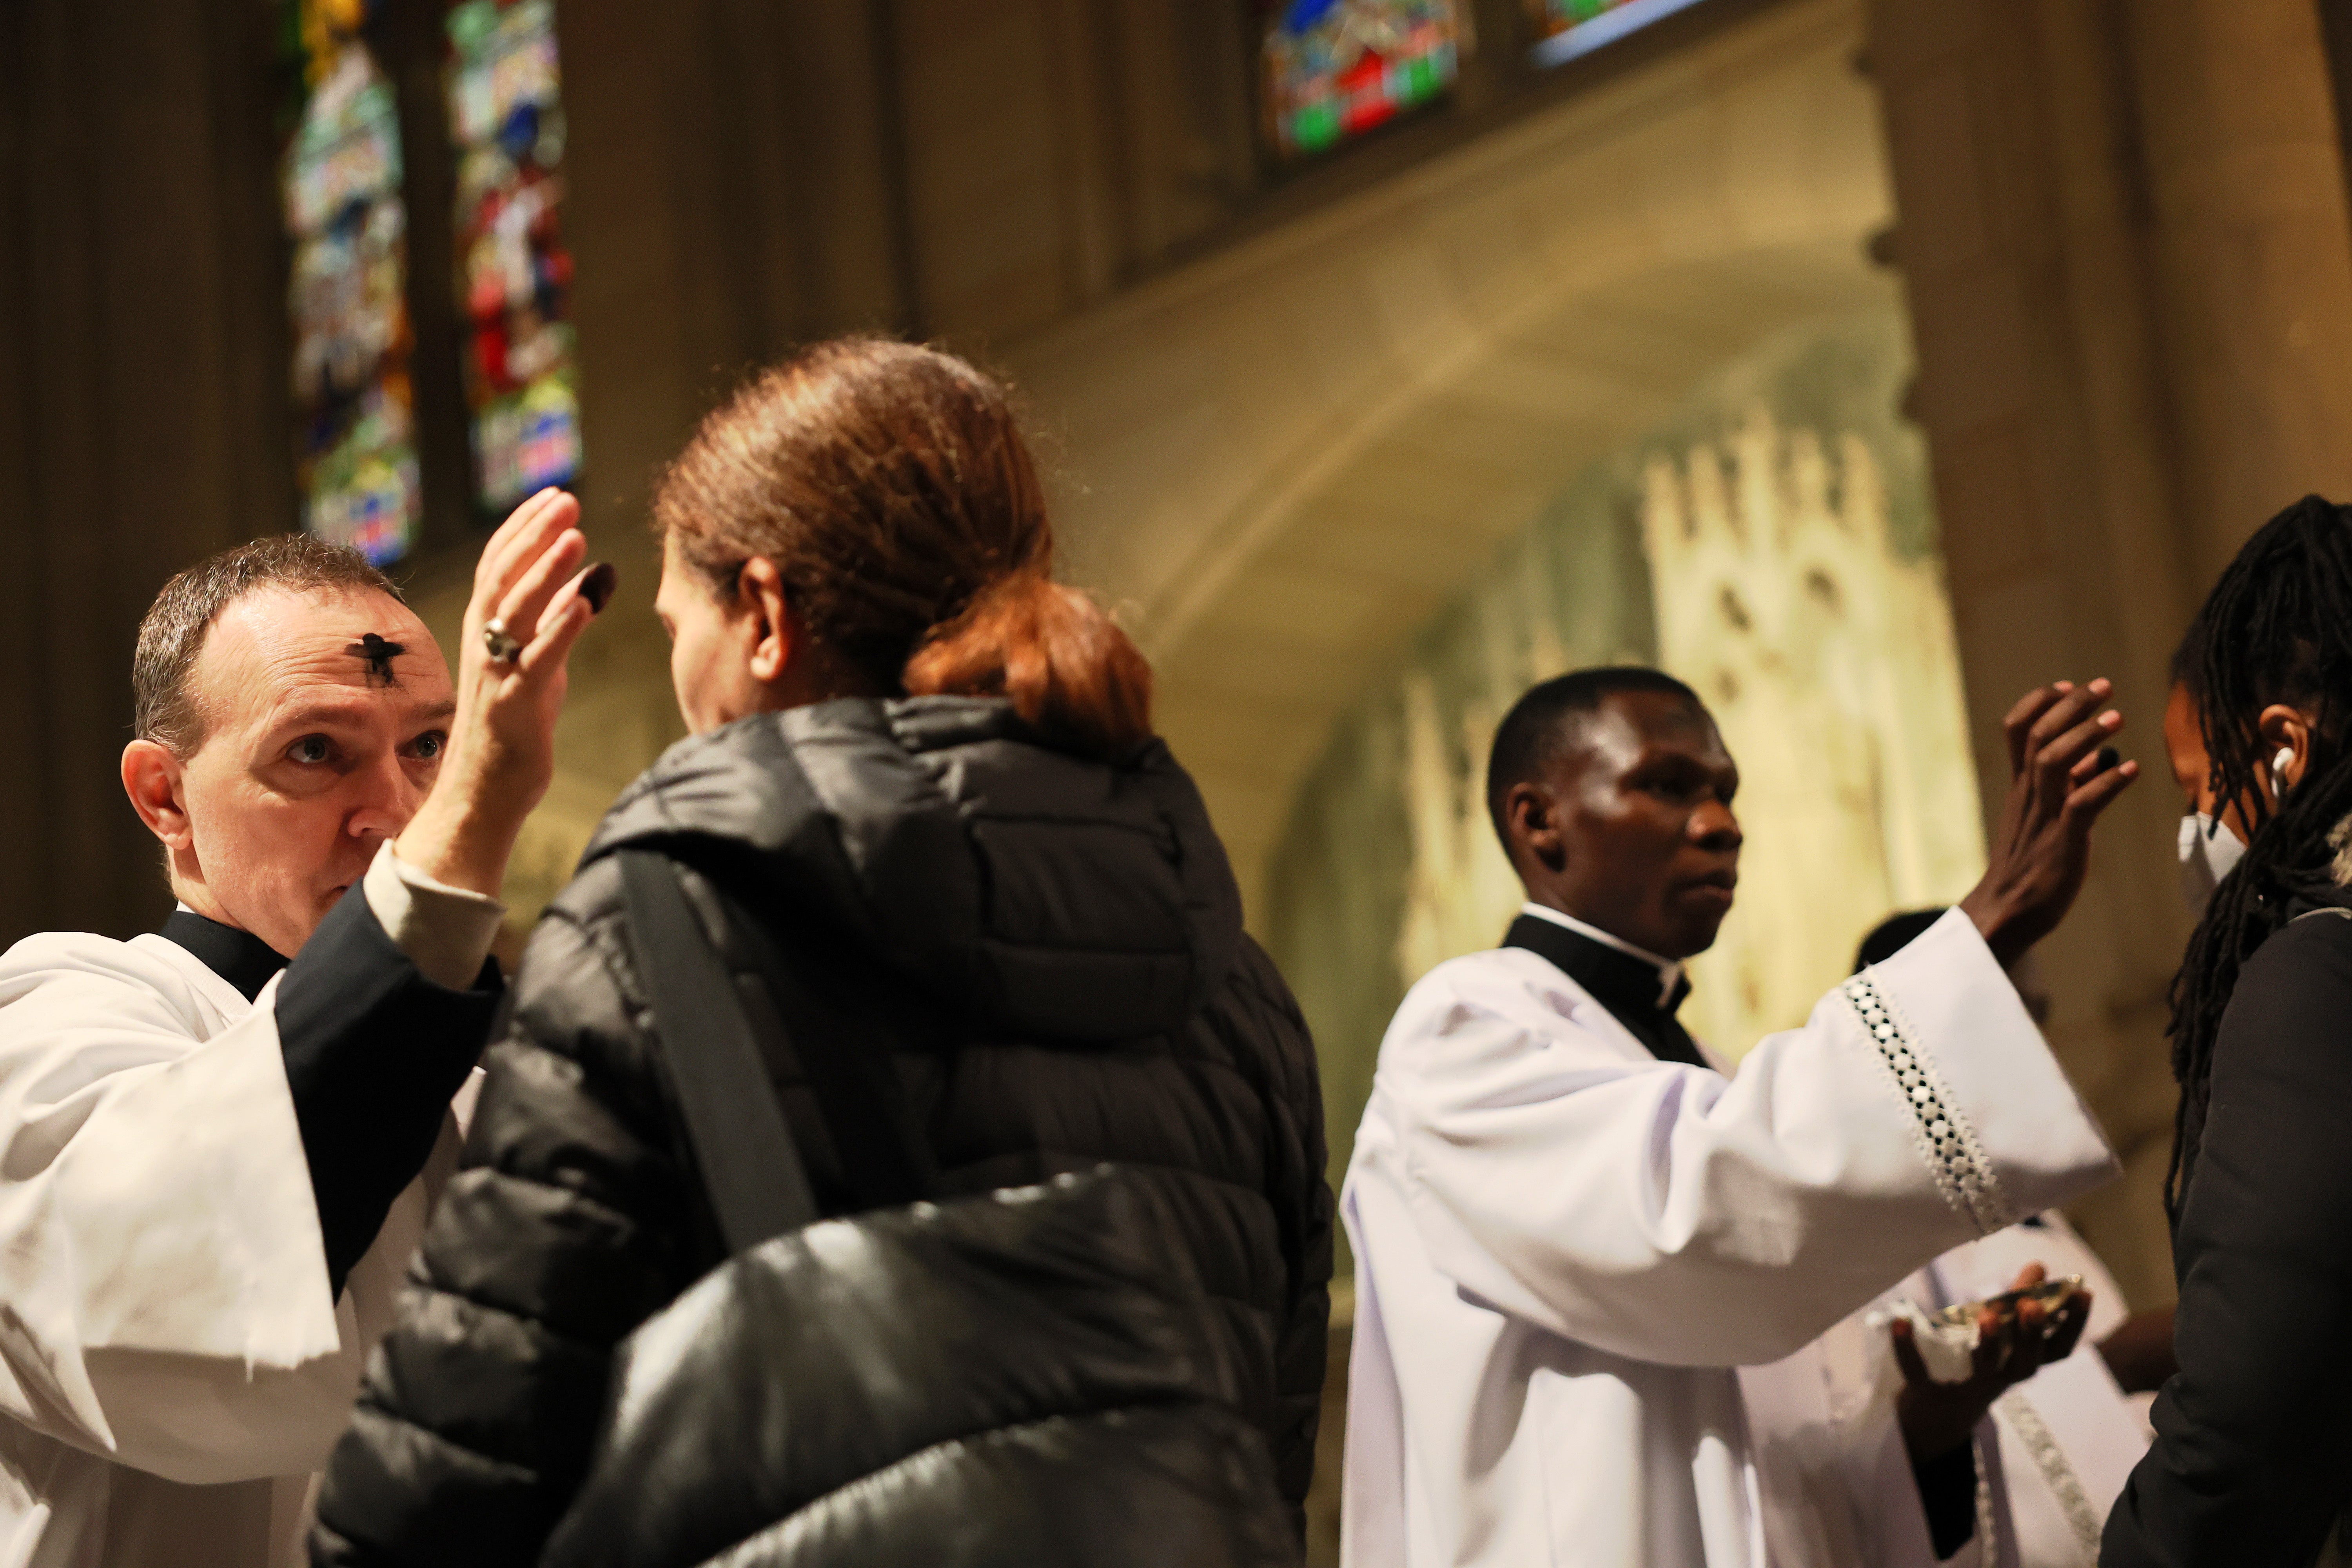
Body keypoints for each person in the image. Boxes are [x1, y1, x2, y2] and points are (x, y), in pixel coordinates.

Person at [306, 338, 1334, 1565]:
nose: (683, 673)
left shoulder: (671, 917)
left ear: (769, 619)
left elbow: (457, 1456)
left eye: (685, 623)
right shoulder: (1230, 972)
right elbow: (1269, 1422)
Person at [1340, 664, 2133, 1568]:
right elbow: (1697, 1222)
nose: (1723, 824)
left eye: (1726, 793)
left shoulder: (1711, 1074)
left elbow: (1798, 1446)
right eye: (1668, 785)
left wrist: (1932, 1425)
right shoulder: (1466, 1031)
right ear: (1538, 819)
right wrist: (1986, 921)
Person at [0, 495, 601, 1567]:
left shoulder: (506, 1048)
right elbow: (178, 1318)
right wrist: (474, 815)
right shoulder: (56, 1022)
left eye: (429, 745)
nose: (398, 811)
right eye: (317, 751)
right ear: (165, 797)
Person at [1739, 910, 2159, 1568]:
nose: (2040, 1052)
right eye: (2011, 1019)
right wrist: (2119, 1364)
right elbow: (1873, 1463)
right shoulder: (1857, 1239)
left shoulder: (2040, 1220)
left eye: (2039, 1018)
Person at [2103, 495, 2352, 1567]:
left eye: (2199, 789)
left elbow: (2251, 1416)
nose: (2194, 832)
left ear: (2284, 752)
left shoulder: (2317, 972)